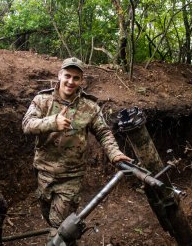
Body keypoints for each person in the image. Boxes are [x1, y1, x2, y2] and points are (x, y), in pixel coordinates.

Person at [22, 57, 132, 230]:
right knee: (49, 218)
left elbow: (103, 133)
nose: (70, 82)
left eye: (76, 78)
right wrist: (52, 123)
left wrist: (115, 154)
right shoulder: (42, 100)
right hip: (43, 172)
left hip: (71, 176)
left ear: (82, 81)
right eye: (67, 76)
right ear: (59, 75)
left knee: (60, 225)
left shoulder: (90, 107)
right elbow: (27, 125)